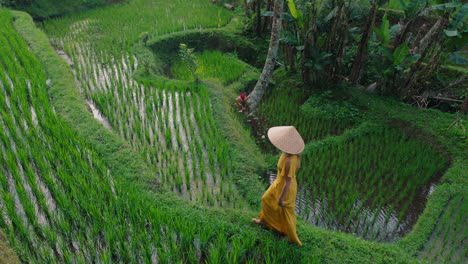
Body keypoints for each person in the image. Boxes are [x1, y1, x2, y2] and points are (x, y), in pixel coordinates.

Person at [252, 126, 304, 246]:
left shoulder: (291, 160)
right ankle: (264, 222)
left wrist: (281, 198)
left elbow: (288, 182)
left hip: (286, 188)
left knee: (284, 212)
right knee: (266, 199)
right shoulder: (286, 153)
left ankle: (286, 234)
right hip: (278, 182)